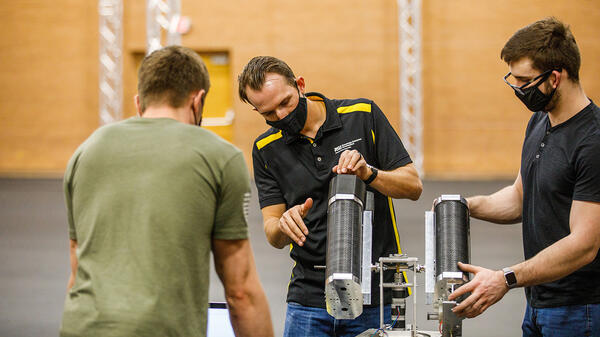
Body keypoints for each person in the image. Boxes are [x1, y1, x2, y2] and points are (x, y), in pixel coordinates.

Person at [60, 46, 273, 337]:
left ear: (139, 102)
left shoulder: (86, 151)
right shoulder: (220, 157)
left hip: (80, 327)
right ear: (198, 101)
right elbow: (241, 293)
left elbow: (76, 270)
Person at [238, 56, 423, 337]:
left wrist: (369, 173)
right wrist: (284, 225)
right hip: (309, 298)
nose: (282, 116)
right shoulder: (266, 148)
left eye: (285, 103)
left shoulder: (362, 115)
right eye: (269, 113)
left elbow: (413, 186)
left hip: (376, 292)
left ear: (300, 85)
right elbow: (272, 231)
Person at [447, 18, 600, 336]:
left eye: (524, 81)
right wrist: (465, 205)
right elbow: (520, 197)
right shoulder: (539, 122)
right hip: (538, 302)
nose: (518, 89)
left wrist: (505, 278)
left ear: (555, 78)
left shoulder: (593, 141)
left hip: (580, 311)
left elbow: (585, 244)